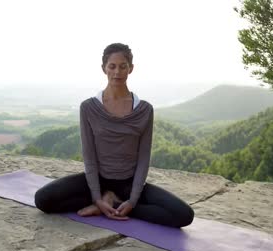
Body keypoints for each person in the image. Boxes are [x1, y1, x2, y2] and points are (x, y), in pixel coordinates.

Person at [34, 43, 194, 228]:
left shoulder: (144, 110)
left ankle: (115, 204)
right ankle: (102, 202)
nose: (117, 72)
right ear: (104, 69)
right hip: (97, 181)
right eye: (112, 66)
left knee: (184, 215)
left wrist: (132, 201)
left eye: (123, 66)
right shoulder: (89, 107)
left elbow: (143, 158)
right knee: (43, 199)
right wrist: (96, 196)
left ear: (130, 69)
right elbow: (89, 156)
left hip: (128, 185)